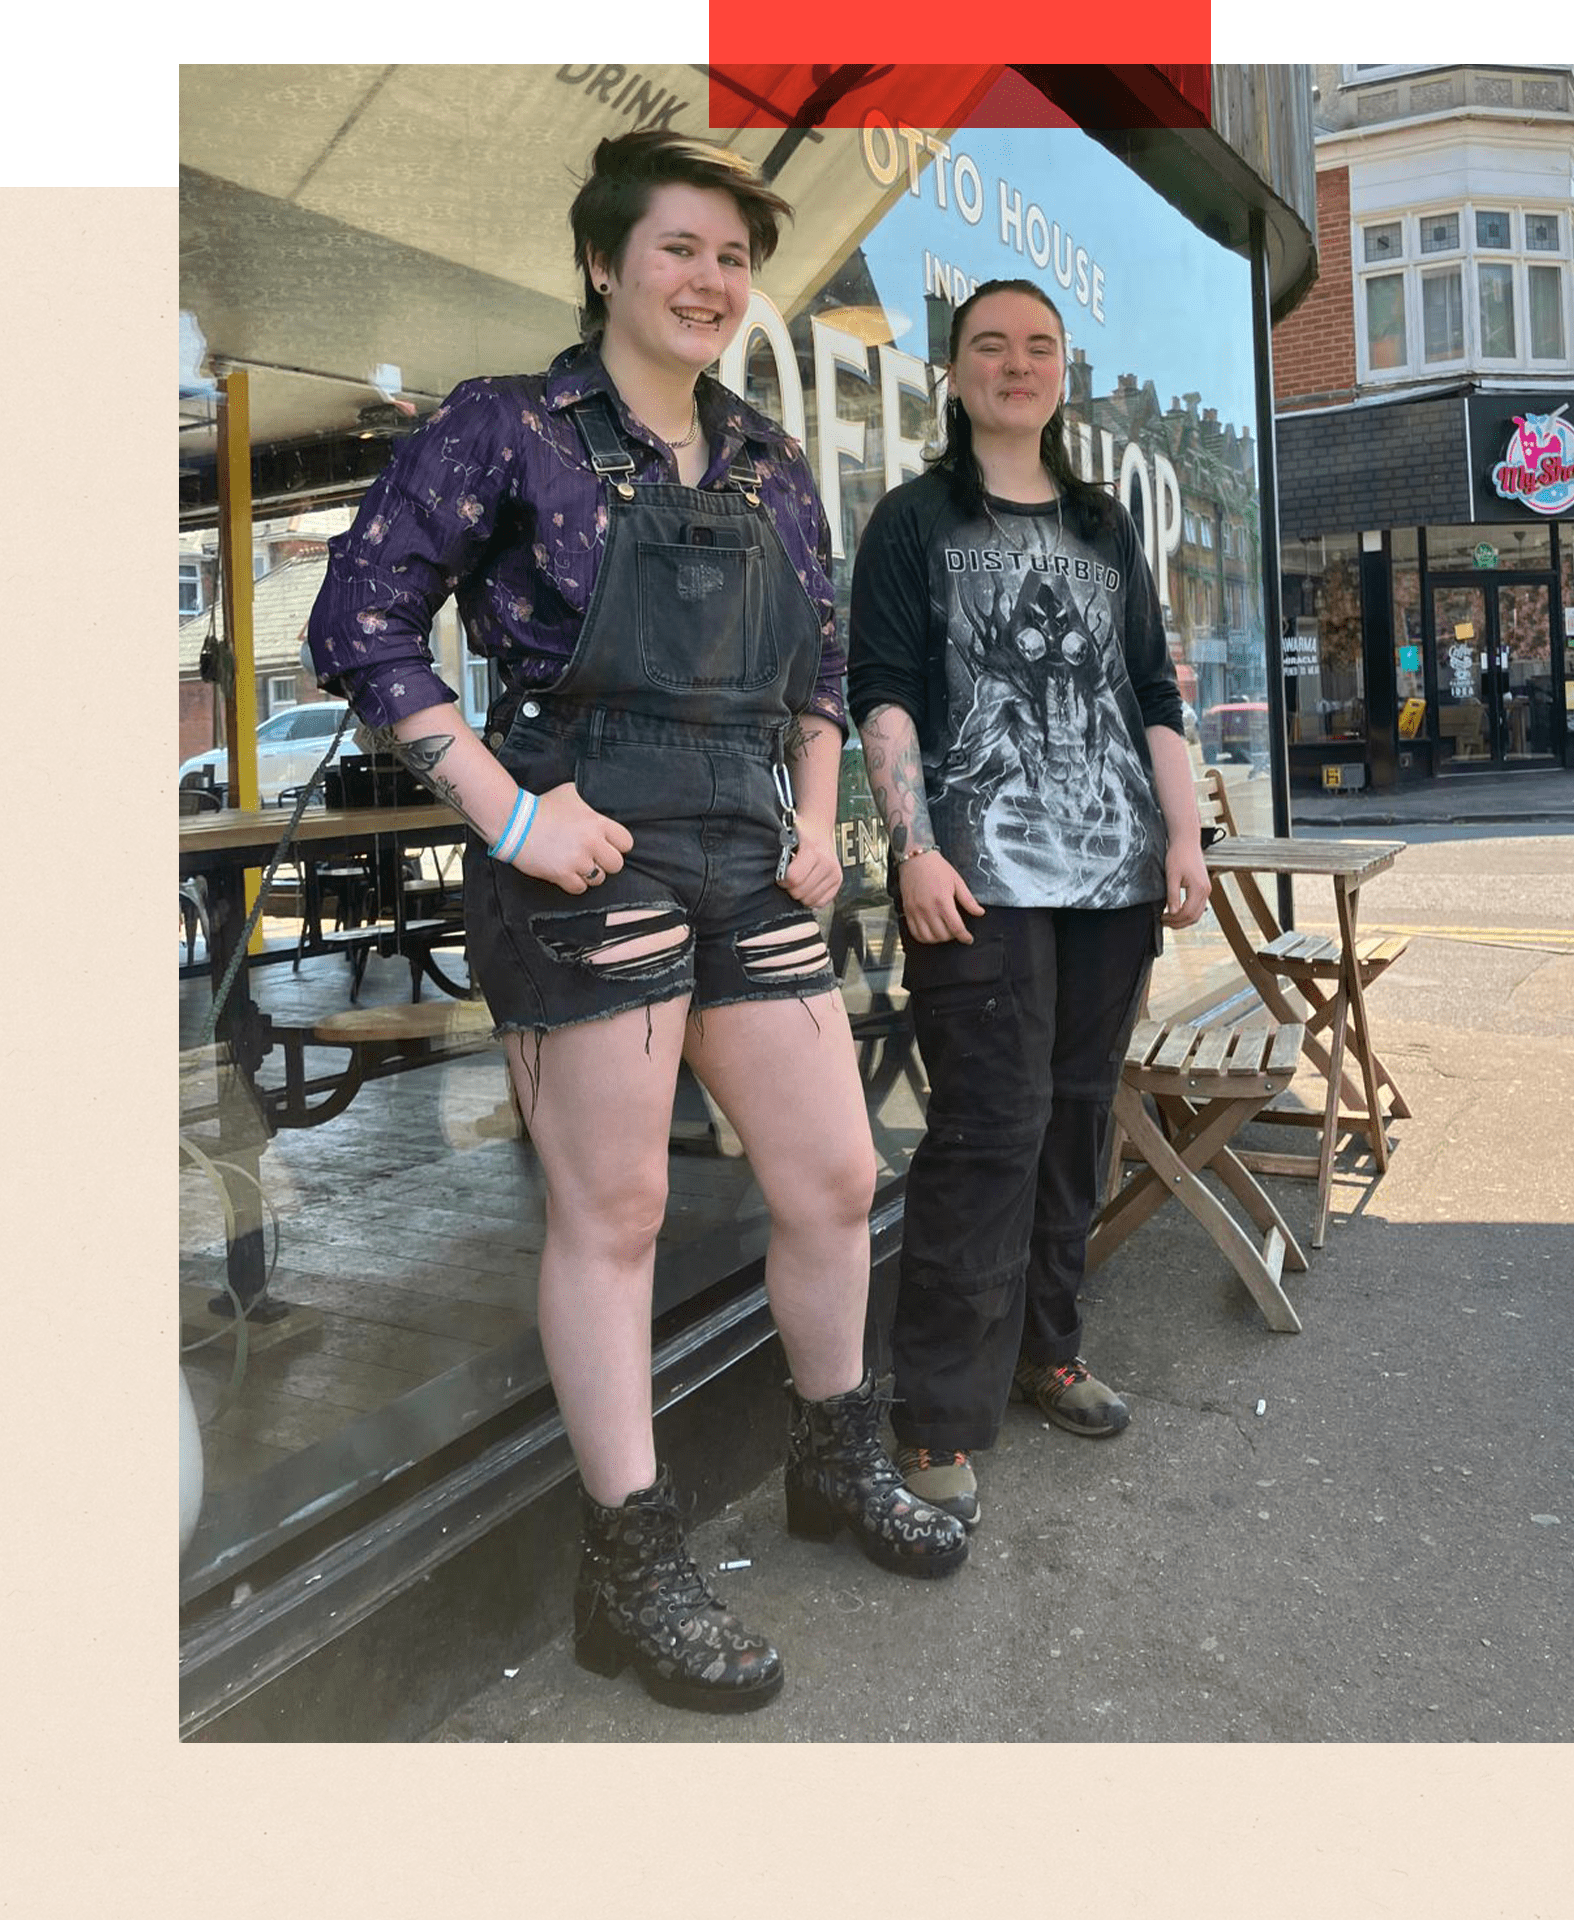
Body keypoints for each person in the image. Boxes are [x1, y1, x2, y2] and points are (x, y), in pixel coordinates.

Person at [306, 131, 967, 1716]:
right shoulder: (507, 430)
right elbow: (360, 618)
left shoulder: (764, 460)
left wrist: (819, 819)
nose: (711, 281)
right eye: (680, 249)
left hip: (747, 845)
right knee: (615, 1222)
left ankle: (830, 1458)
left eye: (732, 259)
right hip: (579, 851)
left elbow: (816, 669)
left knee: (835, 1174)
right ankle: (628, 1558)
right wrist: (508, 812)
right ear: (608, 262)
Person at [847, 278, 1210, 1532]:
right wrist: (914, 848)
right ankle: (937, 1415)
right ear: (953, 376)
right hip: (979, 879)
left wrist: (1183, 837)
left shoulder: (1109, 530)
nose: (1016, 365)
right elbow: (882, 694)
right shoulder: (910, 524)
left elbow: (1154, 697)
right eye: (990, 347)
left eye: (1039, 347)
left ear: (1066, 372)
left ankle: (1045, 1350)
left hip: (1109, 882)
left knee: (1071, 1123)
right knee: (986, 1133)